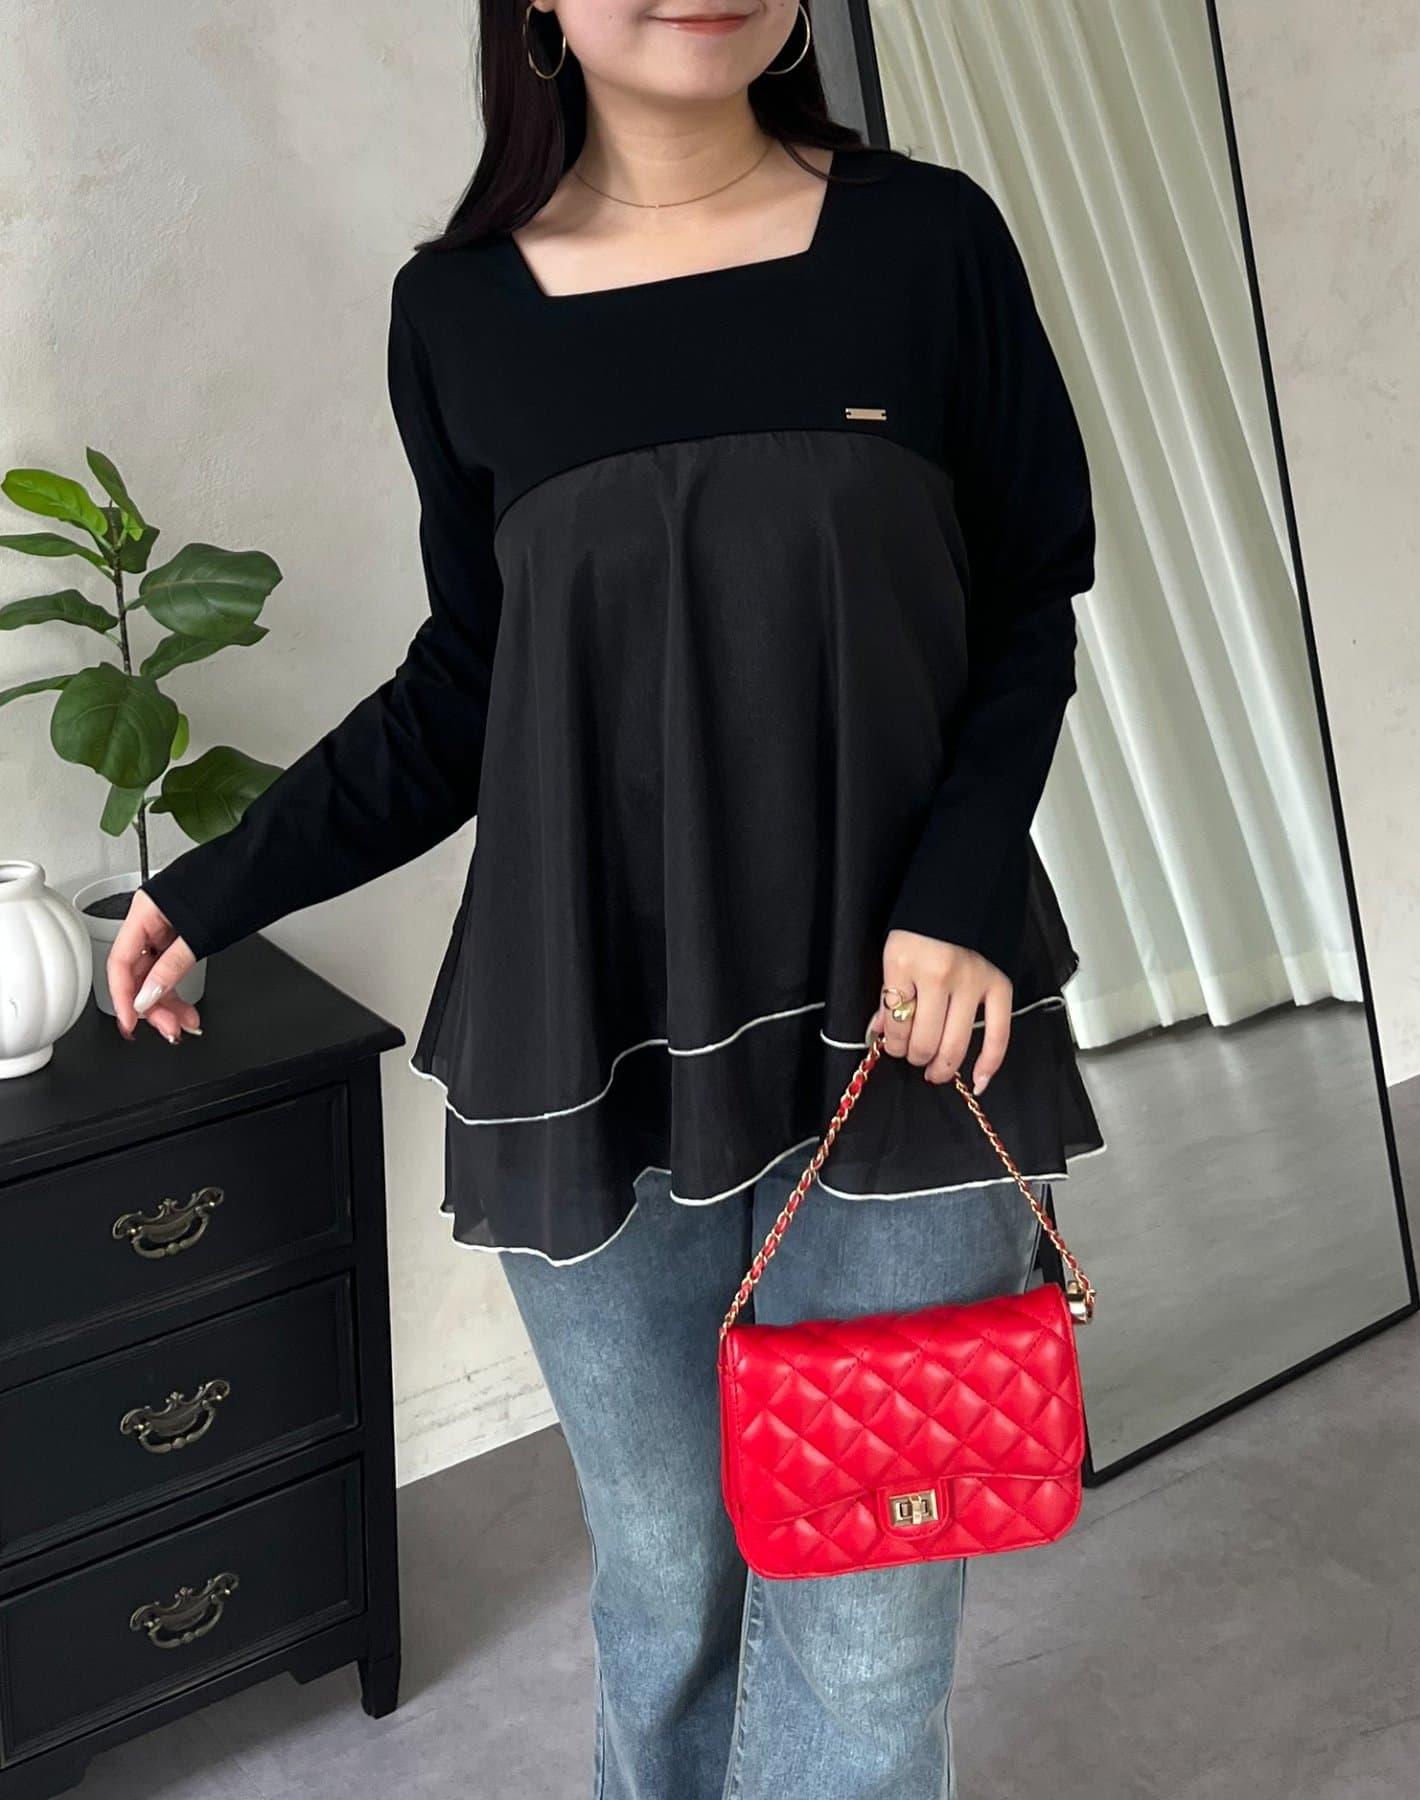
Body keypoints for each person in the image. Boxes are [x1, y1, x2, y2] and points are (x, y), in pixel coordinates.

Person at [110, 1, 1103, 1793]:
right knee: (669, 1590)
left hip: (907, 1024)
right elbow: (469, 688)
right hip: (588, 1034)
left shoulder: (927, 240)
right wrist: (219, 889)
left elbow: (1029, 599)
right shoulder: (457, 313)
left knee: (871, 1624)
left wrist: (959, 890)